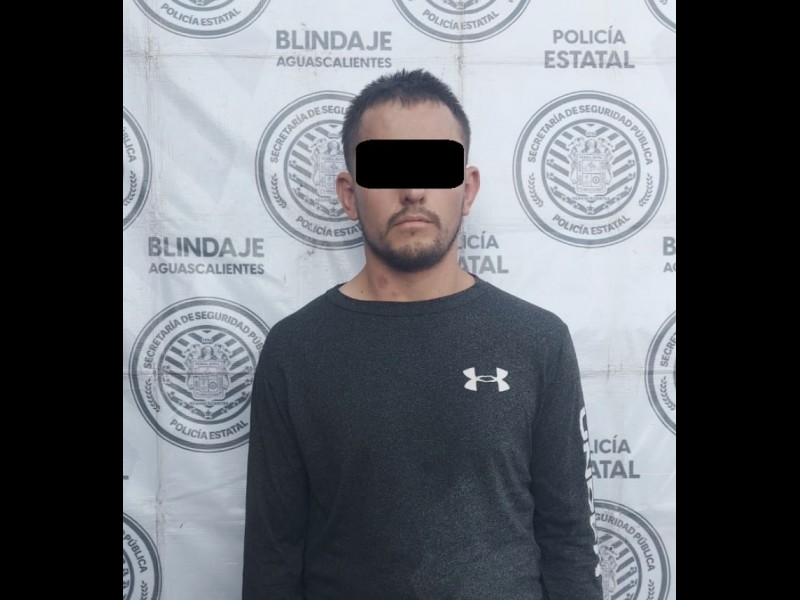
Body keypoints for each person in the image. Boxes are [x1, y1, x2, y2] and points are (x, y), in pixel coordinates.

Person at [242, 68, 603, 600]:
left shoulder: (537, 341)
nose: (412, 191)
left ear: (467, 188)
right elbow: (271, 559)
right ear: (349, 194)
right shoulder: (294, 350)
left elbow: (569, 540)